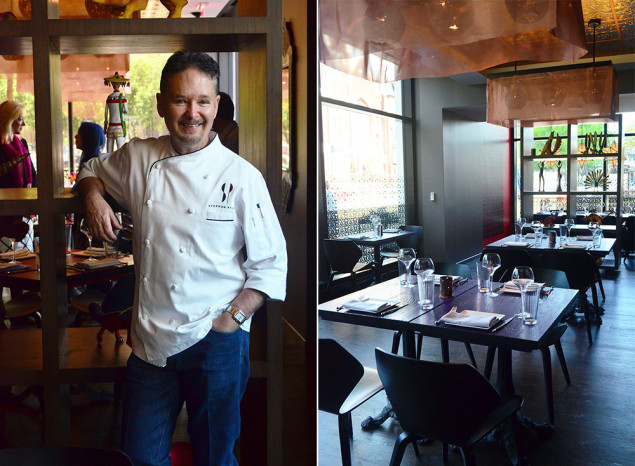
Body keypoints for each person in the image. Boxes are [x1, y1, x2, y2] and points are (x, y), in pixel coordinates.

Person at [76, 51, 287, 466]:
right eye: (180, 101)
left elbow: (271, 265)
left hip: (217, 342)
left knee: (215, 457)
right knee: (139, 457)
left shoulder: (242, 176)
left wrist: (232, 320)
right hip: (152, 342)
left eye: (203, 102)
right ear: (160, 104)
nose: (193, 113)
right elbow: (90, 170)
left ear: (217, 104)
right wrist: (94, 197)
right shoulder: (139, 157)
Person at [103, 72, 130, 153]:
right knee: (121, 153)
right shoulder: (122, 97)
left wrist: (105, 125)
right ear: (121, 84)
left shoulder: (109, 97)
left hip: (110, 128)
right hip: (119, 128)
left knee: (108, 153)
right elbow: (126, 111)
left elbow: (105, 113)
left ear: (112, 84)